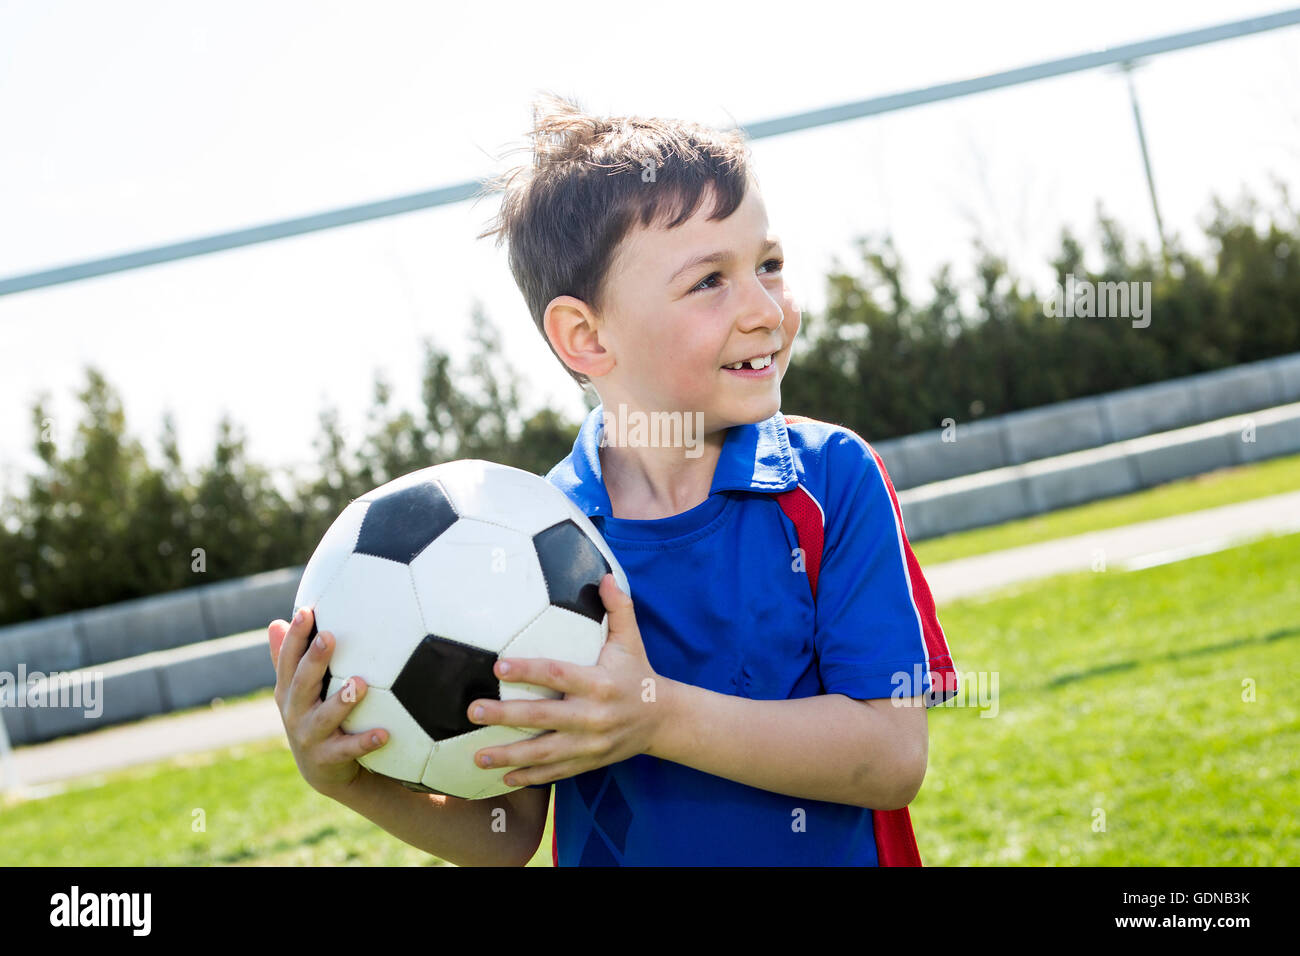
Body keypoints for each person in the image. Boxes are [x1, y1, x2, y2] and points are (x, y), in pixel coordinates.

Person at [268, 92, 959, 866]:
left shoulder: (830, 483)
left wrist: (654, 717)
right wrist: (352, 782)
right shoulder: (529, 540)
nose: (766, 309)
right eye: (710, 282)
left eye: (768, 265)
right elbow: (510, 835)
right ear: (585, 336)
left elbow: (893, 757)